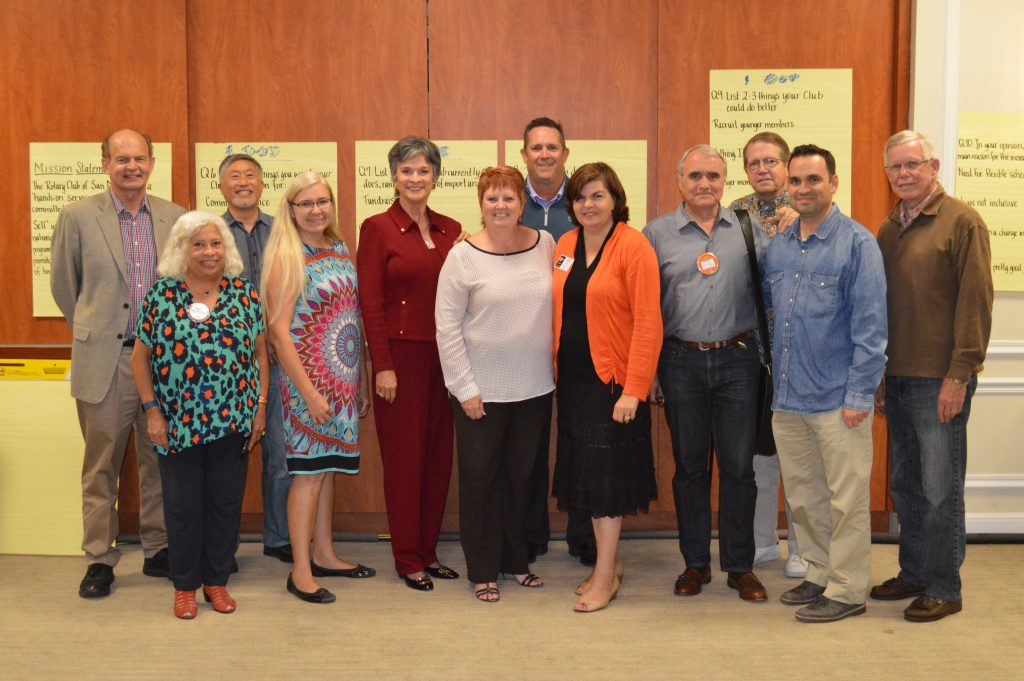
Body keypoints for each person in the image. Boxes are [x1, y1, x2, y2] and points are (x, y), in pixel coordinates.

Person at [50, 128, 184, 599]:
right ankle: (99, 559)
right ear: (105, 162)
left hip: (163, 365)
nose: (131, 166)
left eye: (140, 158)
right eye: (121, 158)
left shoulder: (175, 217)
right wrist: (99, 330)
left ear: (152, 163)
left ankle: (158, 547)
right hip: (105, 360)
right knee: (101, 466)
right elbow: (67, 289)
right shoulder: (78, 216)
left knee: (159, 460)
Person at [870, 130, 994, 622]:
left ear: (933, 166)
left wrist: (959, 375)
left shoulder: (962, 222)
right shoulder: (888, 227)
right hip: (897, 377)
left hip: (940, 380)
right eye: (895, 167)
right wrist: (879, 373)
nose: (903, 174)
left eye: (912, 165)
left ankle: (945, 584)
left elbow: (976, 303)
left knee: (942, 488)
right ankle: (916, 572)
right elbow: (881, 309)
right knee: (907, 486)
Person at [765, 145, 888, 623]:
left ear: (834, 182)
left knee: (846, 500)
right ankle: (818, 573)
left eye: (814, 180)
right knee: (805, 497)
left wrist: (859, 395)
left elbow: (872, 328)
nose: (803, 189)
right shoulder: (780, 243)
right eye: (795, 181)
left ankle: (849, 588)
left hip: (838, 400)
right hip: (789, 397)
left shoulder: (858, 244)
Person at [643, 144, 768, 603]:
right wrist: (652, 369)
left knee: (739, 469)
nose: (704, 184)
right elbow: (646, 309)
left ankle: (740, 567)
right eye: (694, 175)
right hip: (680, 363)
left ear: (725, 180)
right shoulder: (656, 234)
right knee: (690, 470)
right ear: (680, 180)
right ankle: (695, 564)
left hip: (739, 360)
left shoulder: (751, 230)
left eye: (713, 176)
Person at [131, 211, 269, 619]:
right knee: (181, 506)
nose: (209, 252)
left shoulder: (244, 293)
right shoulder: (161, 294)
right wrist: (152, 412)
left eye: (215, 244)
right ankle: (185, 586)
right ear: (181, 249)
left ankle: (216, 582)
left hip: (233, 419)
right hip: (177, 423)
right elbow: (140, 360)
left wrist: (260, 408)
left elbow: (261, 353)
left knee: (225, 504)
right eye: (198, 244)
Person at [435, 166, 555, 602]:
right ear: (481, 204)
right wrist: (464, 388)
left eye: (509, 198)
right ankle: (483, 569)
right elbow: (446, 328)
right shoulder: (462, 256)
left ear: (523, 203)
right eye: (492, 198)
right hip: (479, 391)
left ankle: (515, 560)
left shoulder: (546, 244)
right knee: (481, 479)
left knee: (521, 477)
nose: (501, 205)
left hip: (536, 386)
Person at [551, 162, 662, 613]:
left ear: (614, 199)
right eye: (579, 197)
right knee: (587, 480)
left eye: (597, 195)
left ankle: (604, 576)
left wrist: (634, 389)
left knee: (605, 485)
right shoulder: (564, 243)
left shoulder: (633, 246)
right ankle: (609, 565)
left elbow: (649, 323)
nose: (588, 205)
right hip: (573, 380)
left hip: (612, 383)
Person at [262, 173, 374, 604]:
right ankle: (301, 570)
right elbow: (278, 331)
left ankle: (325, 553)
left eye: (322, 201)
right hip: (307, 383)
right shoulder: (287, 255)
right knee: (307, 475)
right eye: (305, 203)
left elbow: (352, 316)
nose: (316, 210)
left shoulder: (340, 247)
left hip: (341, 379)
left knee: (327, 470)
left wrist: (359, 377)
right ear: (290, 209)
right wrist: (308, 391)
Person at [356, 137, 461, 591]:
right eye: (407, 170)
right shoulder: (377, 228)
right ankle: (406, 557)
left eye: (423, 170)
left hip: (448, 358)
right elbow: (371, 303)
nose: (415, 178)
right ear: (393, 176)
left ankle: (429, 550)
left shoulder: (451, 228)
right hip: (400, 359)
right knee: (405, 461)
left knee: (438, 458)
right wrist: (382, 364)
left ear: (435, 177)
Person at [518, 116, 597, 566]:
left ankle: (583, 533)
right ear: (524, 154)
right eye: (536, 148)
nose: (544, 154)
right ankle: (530, 533)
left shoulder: (584, 201)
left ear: (566, 153)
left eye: (553, 147)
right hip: (526, 347)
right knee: (528, 446)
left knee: (581, 441)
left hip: (580, 349)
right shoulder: (511, 203)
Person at [729, 131, 806, 579]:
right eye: (755, 162)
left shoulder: (810, 212)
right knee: (757, 456)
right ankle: (762, 542)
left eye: (772, 161)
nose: (763, 169)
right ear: (746, 169)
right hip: (750, 355)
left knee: (799, 454)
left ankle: (803, 546)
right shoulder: (731, 214)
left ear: (787, 164)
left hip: (802, 354)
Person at [219, 153, 292, 564]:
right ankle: (223, 546)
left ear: (263, 185)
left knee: (280, 452)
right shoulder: (211, 232)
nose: (243, 182)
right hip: (226, 365)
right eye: (234, 177)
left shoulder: (284, 230)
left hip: (279, 358)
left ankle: (278, 537)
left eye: (250, 176)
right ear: (222, 187)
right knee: (228, 458)